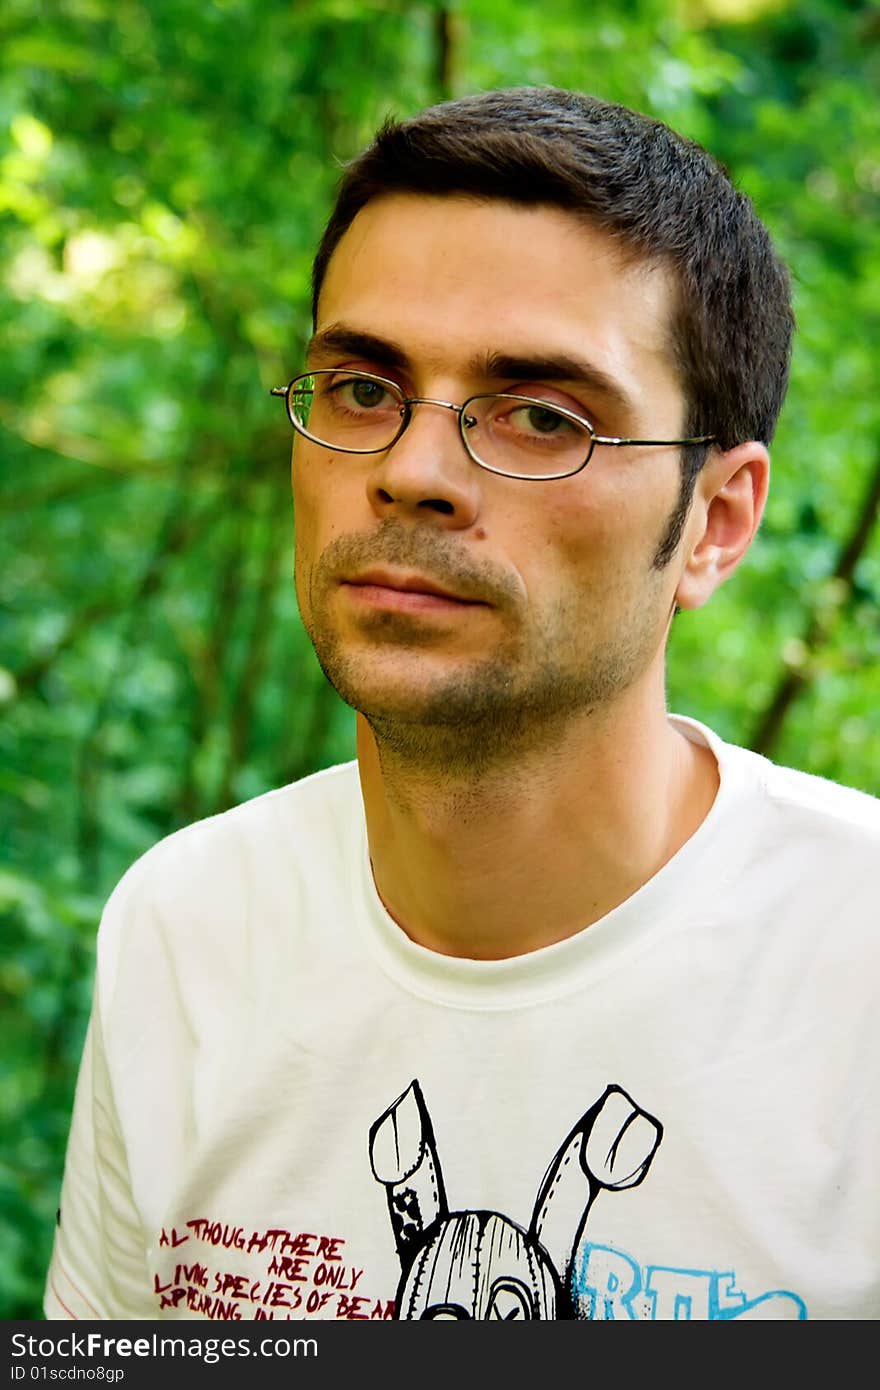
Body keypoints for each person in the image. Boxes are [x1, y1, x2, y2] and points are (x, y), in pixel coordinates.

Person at [45, 86, 879, 1324]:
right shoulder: (189, 928)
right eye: (363, 389)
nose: (410, 473)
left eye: (543, 416)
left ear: (714, 523)